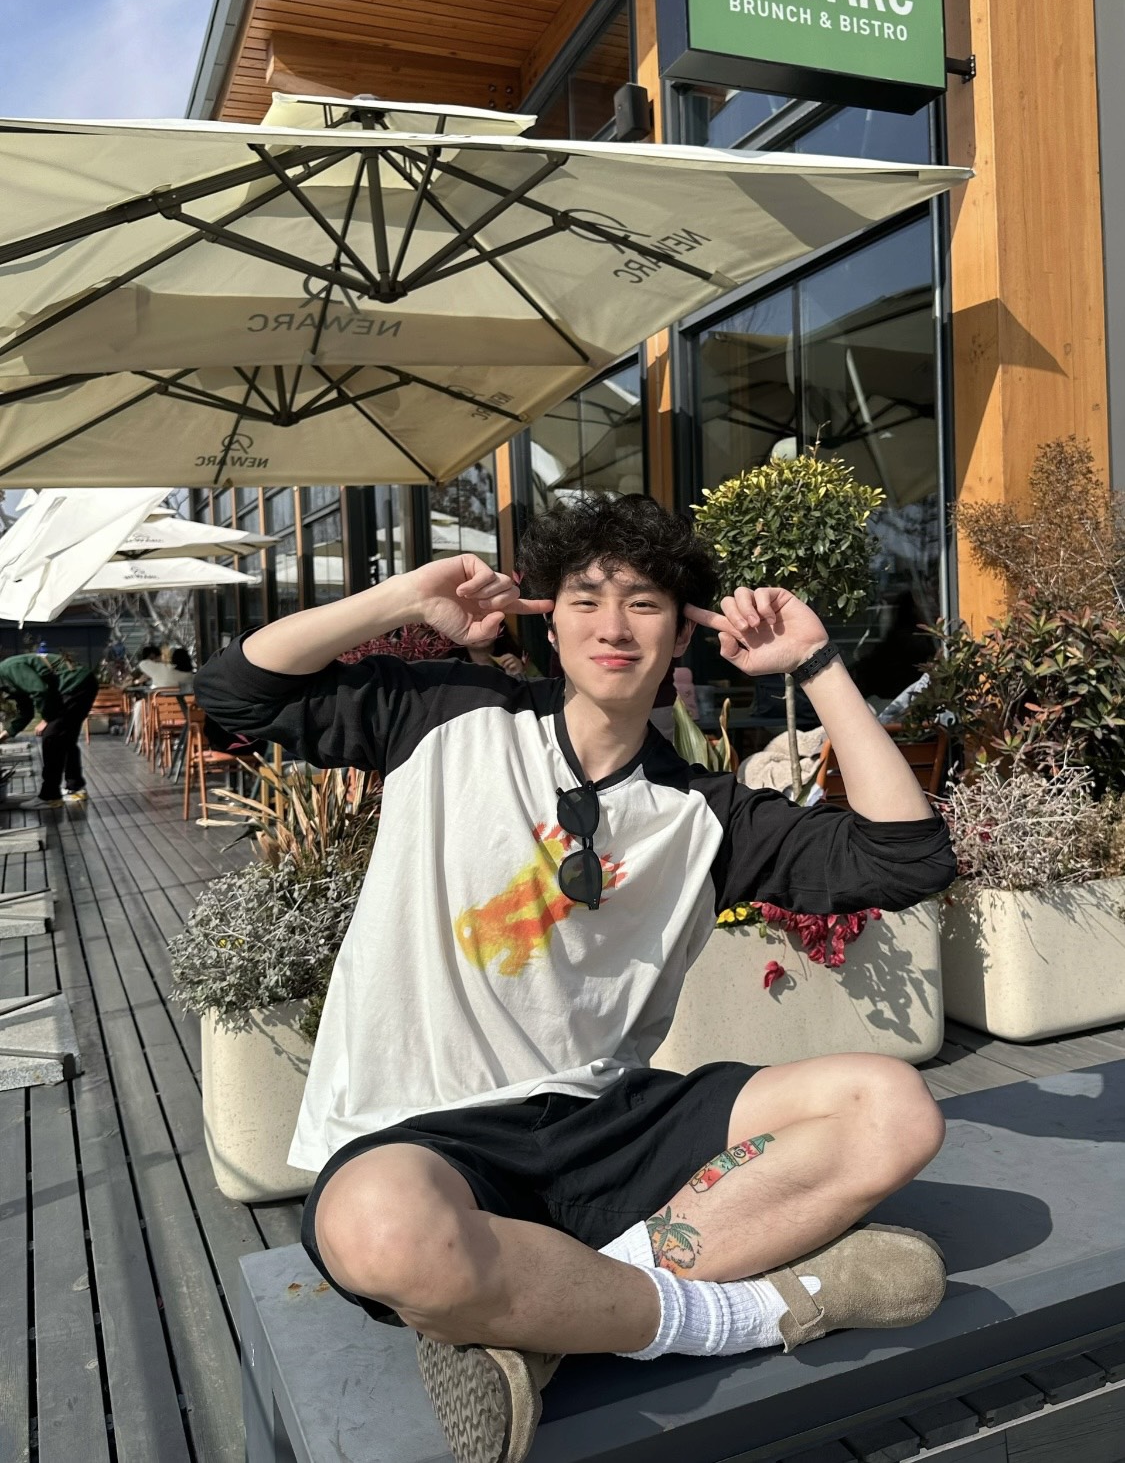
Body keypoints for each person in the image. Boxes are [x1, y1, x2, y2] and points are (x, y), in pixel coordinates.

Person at [195, 495, 955, 1463]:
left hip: (608, 1122)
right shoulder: (448, 717)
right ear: (547, 622)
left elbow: (906, 859)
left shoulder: (708, 814)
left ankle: (546, 1312)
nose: (612, 626)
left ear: (682, 633)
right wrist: (403, 597)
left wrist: (814, 663)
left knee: (893, 1110)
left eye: (644, 603)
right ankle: (756, 1311)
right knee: (380, 1233)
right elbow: (236, 693)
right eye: (585, 599)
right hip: (424, 1134)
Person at [0, 649, 99, 809]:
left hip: (74, 685)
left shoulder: (8, 669)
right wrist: (6, 734)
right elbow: (26, 712)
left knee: (51, 737)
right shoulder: (7, 681)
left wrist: (47, 718)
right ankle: (75, 789)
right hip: (80, 684)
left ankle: (50, 796)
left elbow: (40, 690)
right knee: (65, 738)